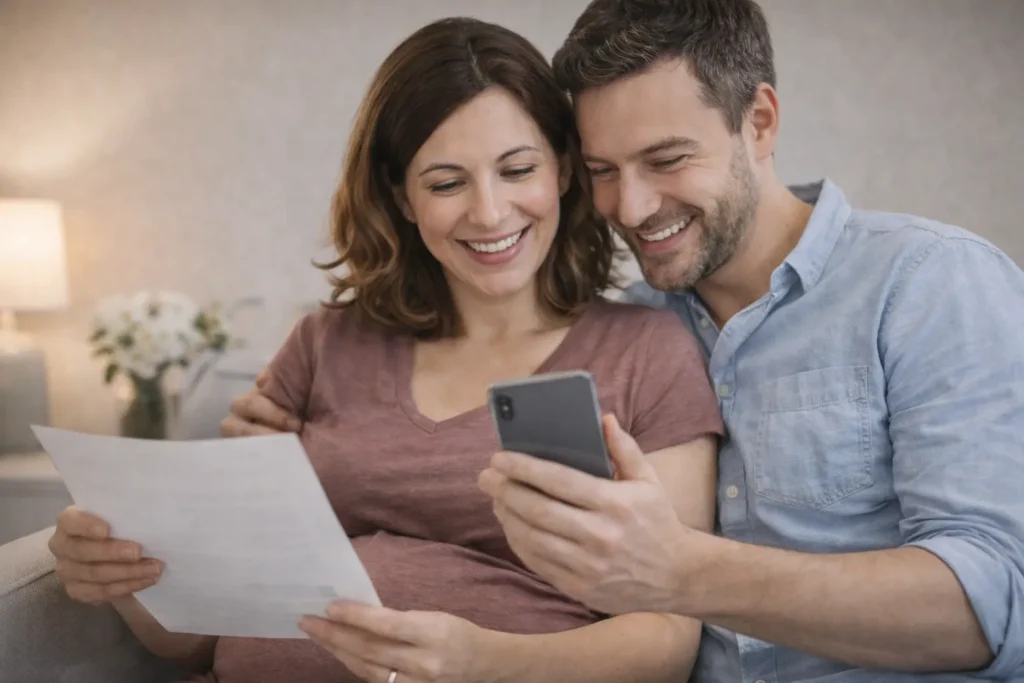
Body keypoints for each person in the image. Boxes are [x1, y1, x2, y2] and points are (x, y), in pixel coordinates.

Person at [229, 0, 1024, 681]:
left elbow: (991, 605)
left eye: (666, 159)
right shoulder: (645, 316)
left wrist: (681, 570)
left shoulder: (926, 282)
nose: (633, 206)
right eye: (604, 167)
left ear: (761, 121)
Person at [46, 16, 727, 683]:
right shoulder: (325, 343)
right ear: (401, 196)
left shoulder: (647, 352)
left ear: (565, 171)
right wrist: (121, 569)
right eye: (446, 182)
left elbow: (667, 640)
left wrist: (477, 661)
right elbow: (191, 637)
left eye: (517, 169)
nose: (489, 213)